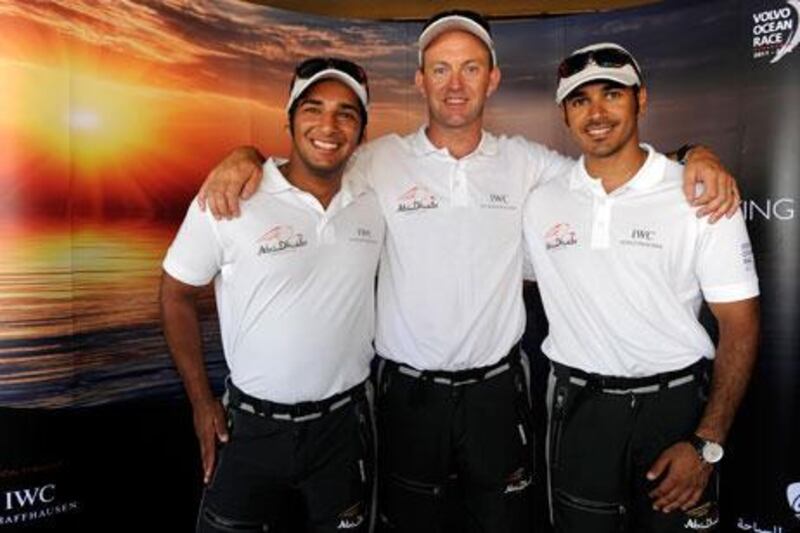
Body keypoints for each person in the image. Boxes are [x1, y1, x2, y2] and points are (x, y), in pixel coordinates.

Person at [194, 11, 740, 533]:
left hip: (498, 396)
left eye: (471, 67)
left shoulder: (530, 163)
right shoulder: (376, 161)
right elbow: (309, 160)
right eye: (441, 68)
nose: (456, 83)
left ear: (493, 78)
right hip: (405, 396)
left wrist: (697, 155)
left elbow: (615, 166)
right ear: (421, 80)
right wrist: (244, 155)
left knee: (504, 525)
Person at [522, 43, 760, 532]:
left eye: (612, 94)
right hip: (578, 410)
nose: (597, 112)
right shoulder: (541, 201)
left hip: (674, 411)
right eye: (579, 100)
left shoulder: (699, 194)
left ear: (641, 99)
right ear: (565, 114)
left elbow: (740, 324)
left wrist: (705, 442)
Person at [160, 57, 383, 533]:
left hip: (343, 430)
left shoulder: (372, 197)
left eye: (347, 113)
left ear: (362, 132)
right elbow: (176, 293)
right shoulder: (230, 198)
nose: (328, 125)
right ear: (288, 117)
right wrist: (201, 402)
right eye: (313, 108)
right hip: (250, 431)